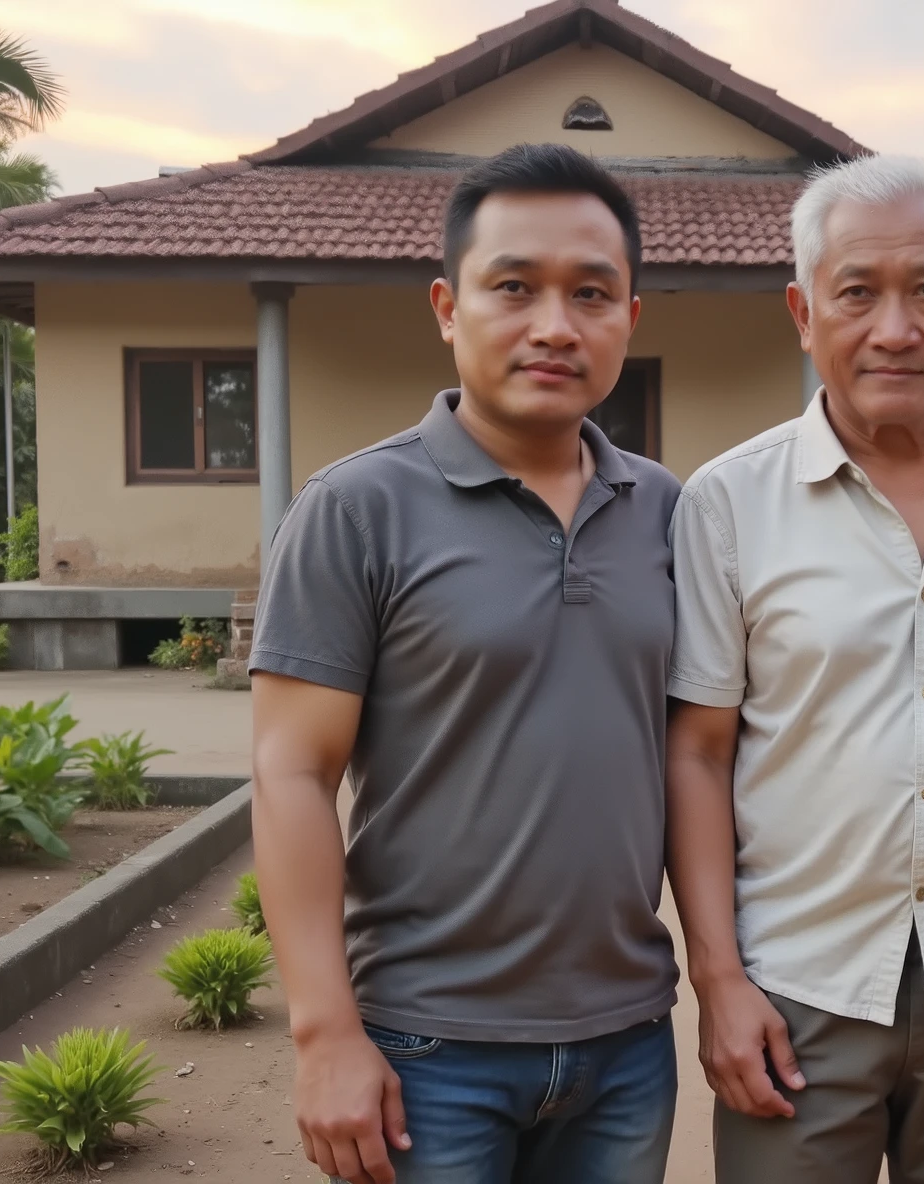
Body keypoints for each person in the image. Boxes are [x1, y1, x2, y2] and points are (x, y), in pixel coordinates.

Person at [249, 143, 680, 1184]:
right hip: (425, 1049)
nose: (553, 324)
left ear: (631, 314)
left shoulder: (670, 512)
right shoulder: (356, 508)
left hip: (627, 1041)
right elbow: (289, 772)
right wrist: (323, 1035)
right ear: (447, 305)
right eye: (513, 287)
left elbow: (702, 753)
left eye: (590, 292)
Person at [665, 153, 924, 1184]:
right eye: (856, 291)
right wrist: (717, 977)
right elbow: (698, 754)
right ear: (802, 313)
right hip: (797, 991)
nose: (893, 328)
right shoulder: (728, 503)